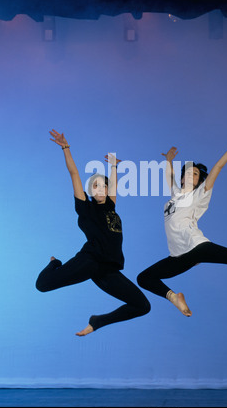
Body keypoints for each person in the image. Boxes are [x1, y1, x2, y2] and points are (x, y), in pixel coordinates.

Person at [36, 129, 150, 336]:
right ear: (90, 191)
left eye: (104, 186)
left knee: (143, 306)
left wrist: (114, 166)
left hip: (108, 269)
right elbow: (74, 173)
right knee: (42, 285)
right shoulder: (85, 208)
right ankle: (54, 263)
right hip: (89, 260)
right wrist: (65, 147)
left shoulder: (111, 206)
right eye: (95, 186)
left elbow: (113, 184)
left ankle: (98, 322)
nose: (100, 189)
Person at [137, 127, 227, 317]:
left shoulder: (200, 194)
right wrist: (168, 160)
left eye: (195, 174)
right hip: (178, 256)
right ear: (182, 176)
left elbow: (218, 167)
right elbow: (169, 176)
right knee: (143, 278)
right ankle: (175, 298)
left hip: (196, 246)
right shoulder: (175, 195)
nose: (191, 175)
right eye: (188, 172)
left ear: (199, 180)